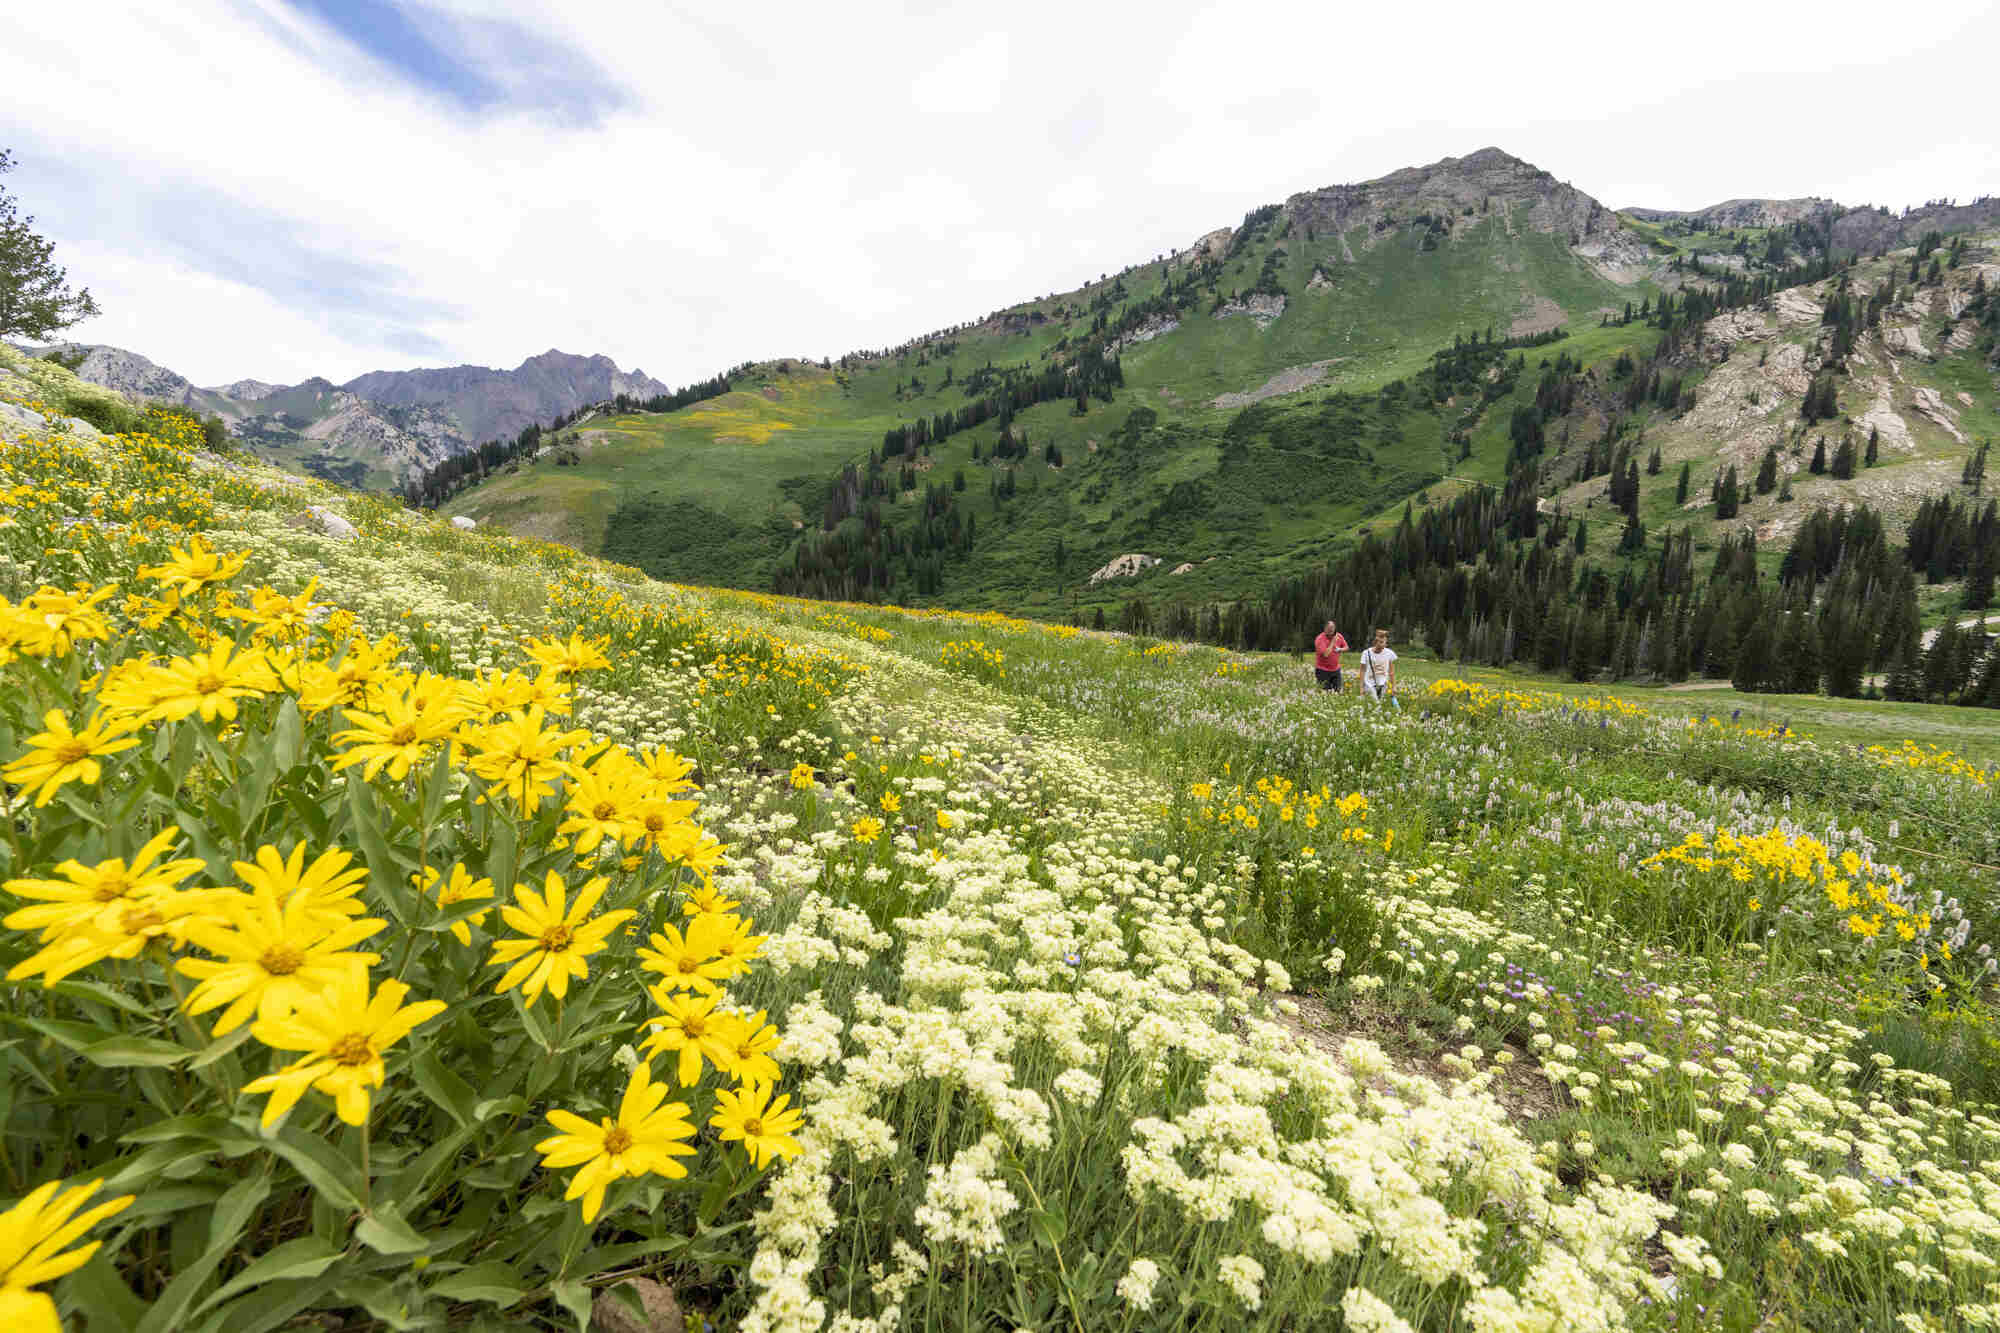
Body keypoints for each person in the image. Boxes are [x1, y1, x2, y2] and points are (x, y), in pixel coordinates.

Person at [1358, 628, 1397, 702]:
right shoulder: (1366, 653)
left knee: (1379, 704)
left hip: (1383, 684)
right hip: (1369, 683)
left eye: (1385, 642)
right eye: (1382, 642)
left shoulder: (1389, 653)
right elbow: (1362, 670)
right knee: (1375, 703)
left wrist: (1394, 686)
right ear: (1376, 642)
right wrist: (1361, 687)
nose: (1385, 644)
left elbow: (1391, 672)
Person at [1313, 619, 1349, 691]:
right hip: (1322, 670)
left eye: (1332, 628)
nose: (1331, 631)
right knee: (1324, 693)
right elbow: (1326, 654)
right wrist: (1333, 642)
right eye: (1329, 629)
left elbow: (1346, 647)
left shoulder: (1339, 636)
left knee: (1337, 691)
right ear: (1325, 629)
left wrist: (1340, 649)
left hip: (1336, 670)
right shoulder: (1320, 639)